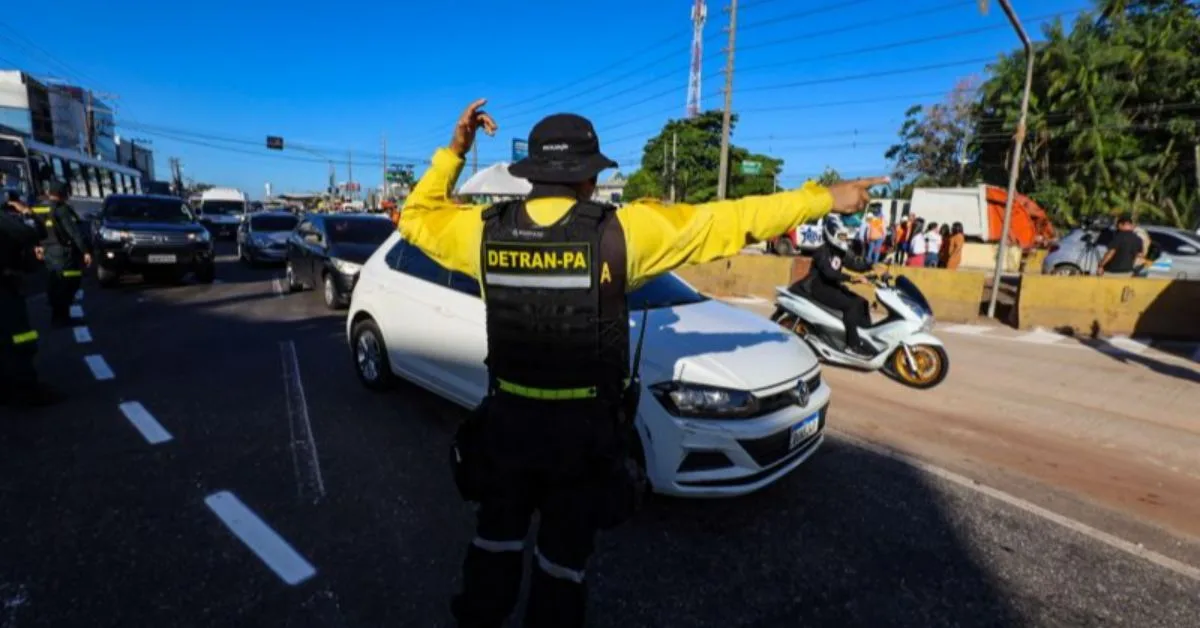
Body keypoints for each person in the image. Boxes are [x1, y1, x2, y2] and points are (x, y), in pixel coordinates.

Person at [399, 99, 883, 628]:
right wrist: (826, 198)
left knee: (494, 548)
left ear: (531, 175)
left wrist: (456, 150)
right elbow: (734, 220)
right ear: (588, 178)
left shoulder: (484, 232)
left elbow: (416, 217)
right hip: (582, 439)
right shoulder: (623, 233)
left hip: (507, 426)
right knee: (560, 570)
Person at [1, 196, 62, 408]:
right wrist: (27, 212)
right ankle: (25, 390)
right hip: (4, 288)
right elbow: (32, 233)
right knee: (19, 338)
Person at [791, 215, 876, 357]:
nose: (843, 238)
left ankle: (864, 338)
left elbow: (853, 264)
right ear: (831, 233)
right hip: (819, 288)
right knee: (851, 305)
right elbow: (828, 273)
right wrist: (851, 278)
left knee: (862, 302)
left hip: (832, 286)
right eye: (840, 235)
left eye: (844, 236)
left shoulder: (840, 251)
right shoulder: (821, 251)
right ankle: (852, 345)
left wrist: (870, 267)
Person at [36, 181, 91, 326]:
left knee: (54, 281)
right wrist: (85, 251)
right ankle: (62, 317)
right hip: (62, 252)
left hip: (47, 250)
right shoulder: (62, 210)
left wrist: (37, 246)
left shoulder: (40, 208)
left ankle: (56, 315)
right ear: (63, 194)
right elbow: (74, 233)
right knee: (70, 281)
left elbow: (36, 229)